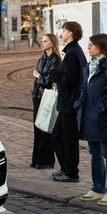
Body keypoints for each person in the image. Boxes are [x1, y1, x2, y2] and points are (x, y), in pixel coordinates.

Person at [74, 34, 107, 205]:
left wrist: (101, 107)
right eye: (88, 45)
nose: (88, 47)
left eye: (91, 45)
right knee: (94, 153)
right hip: (89, 117)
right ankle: (98, 188)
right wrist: (80, 102)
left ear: (101, 46)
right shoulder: (90, 65)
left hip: (104, 117)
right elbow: (85, 88)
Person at [48, 21, 88, 183]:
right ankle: (66, 168)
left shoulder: (72, 53)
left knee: (69, 138)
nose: (61, 33)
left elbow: (69, 79)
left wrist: (54, 74)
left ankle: (72, 172)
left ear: (70, 33)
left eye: (64, 30)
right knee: (58, 134)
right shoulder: (73, 51)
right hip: (67, 102)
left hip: (69, 103)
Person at [31, 34, 63, 169]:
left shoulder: (56, 60)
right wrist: (39, 79)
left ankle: (46, 161)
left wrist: (38, 76)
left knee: (46, 126)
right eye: (42, 41)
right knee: (38, 127)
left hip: (47, 97)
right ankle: (37, 159)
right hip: (37, 96)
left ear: (52, 43)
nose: (42, 43)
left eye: (45, 41)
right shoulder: (42, 58)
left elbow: (50, 81)